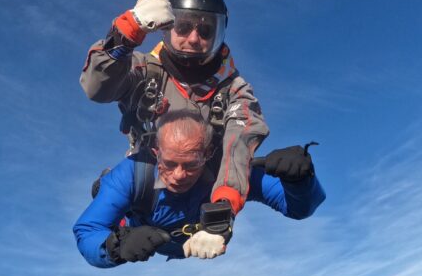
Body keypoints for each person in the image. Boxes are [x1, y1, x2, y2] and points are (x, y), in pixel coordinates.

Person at [80, 0, 269, 223]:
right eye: (183, 27)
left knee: (278, 178)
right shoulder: (145, 70)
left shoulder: (233, 90)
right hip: (149, 183)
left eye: (205, 30)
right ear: (167, 29)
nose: (193, 38)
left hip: (204, 190)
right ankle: (124, 213)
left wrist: (223, 205)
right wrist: (128, 30)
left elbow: (240, 141)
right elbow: (97, 88)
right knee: (113, 210)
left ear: (218, 34)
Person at [73, 111, 324, 268]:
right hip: (138, 225)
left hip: (176, 236)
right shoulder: (132, 174)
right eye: (169, 164)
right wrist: (116, 247)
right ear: (155, 154)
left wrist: (300, 179)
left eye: (192, 164)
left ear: (209, 154)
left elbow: (299, 209)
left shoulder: (228, 171)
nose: (179, 175)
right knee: (111, 206)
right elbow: (87, 231)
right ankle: (103, 190)